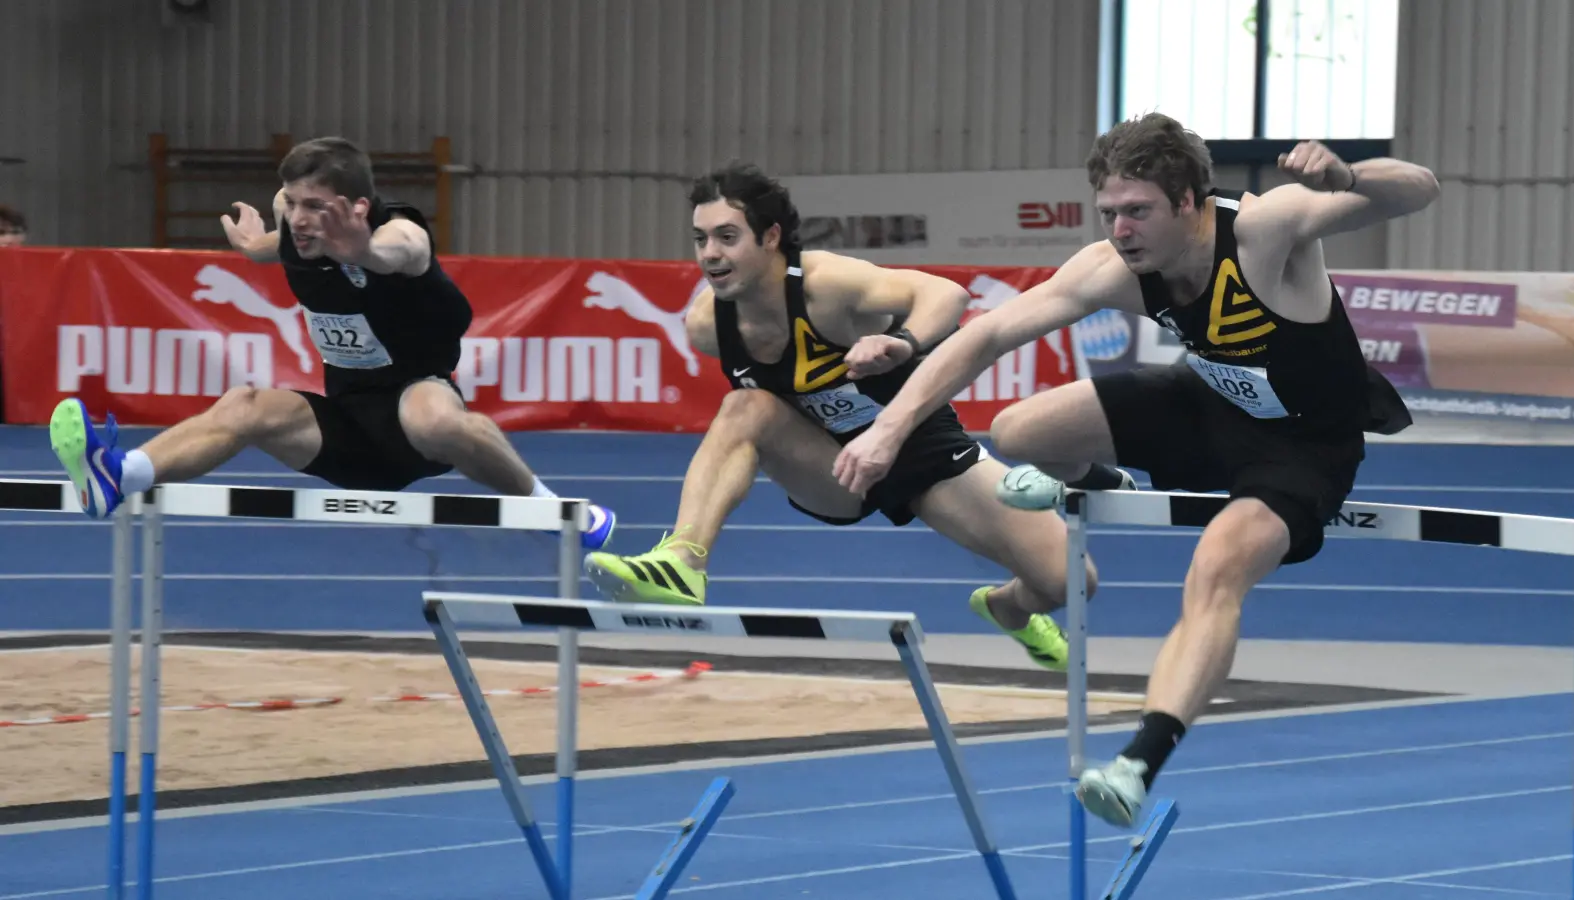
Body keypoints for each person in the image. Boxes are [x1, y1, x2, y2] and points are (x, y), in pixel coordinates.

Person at [833, 113, 1437, 827]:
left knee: (1214, 570)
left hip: (1304, 447)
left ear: (1190, 202)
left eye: (1138, 212)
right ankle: (1099, 483)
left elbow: (1419, 189)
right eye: (1110, 213)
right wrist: (889, 430)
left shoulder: (1263, 232)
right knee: (1019, 429)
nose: (1121, 230)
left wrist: (1348, 177)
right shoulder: (1113, 267)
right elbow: (989, 334)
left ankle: (1138, 762)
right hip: (1207, 403)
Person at [581, 161, 1136, 671]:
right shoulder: (709, 326)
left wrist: (902, 342)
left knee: (1072, 581)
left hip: (920, 451)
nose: (710, 255)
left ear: (770, 238)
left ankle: (1006, 609)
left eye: (727, 237)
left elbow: (946, 294)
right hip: (835, 467)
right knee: (743, 406)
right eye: (701, 240)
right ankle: (682, 560)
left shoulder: (826, 286)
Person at [49, 136, 616, 550]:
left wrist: (361, 253)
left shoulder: (401, 233)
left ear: (358, 209)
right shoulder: (292, 221)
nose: (299, 218)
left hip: (412, 415)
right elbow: (285, 238)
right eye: (292, 202)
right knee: (246, 403)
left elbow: (399, 253)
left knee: (434, 417)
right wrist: (257, 248)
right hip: (341, 428)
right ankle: (119, 477)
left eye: (316, 207)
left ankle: (555, 511)